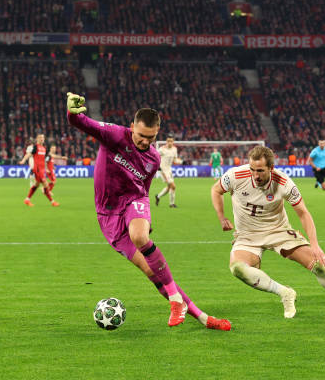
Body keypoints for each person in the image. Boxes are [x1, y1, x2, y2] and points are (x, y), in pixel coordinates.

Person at [66, 92, 230, 330]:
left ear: (157, 133)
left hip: (134, 199)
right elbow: (81, 122)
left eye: (151, 138)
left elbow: (144, 189)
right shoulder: (114, 135)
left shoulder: (153, 157)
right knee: (150, 270)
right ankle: (203, 317)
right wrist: (72, 112)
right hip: (108, 214)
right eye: (141, 136)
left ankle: (176, 301)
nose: (145, 142)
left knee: (140, 236)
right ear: (132, 127)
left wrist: (143, 218)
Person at [211, 146, 325, 318]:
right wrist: (221, 217)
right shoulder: (235, 175)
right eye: (252, 170)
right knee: (237, 268)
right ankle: (285, 292)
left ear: (271, 168)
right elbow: (216, 190)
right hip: (247, 235)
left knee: (319, 265)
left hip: (278, 231)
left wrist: (315, 245)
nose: (255, 175)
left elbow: (303, 213)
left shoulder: (283, 182)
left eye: (260, 171)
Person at [19, 133, 59, 207]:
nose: (42, 139)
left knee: (36, 185)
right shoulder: (36, 147)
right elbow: (29, 154)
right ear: (37, 139)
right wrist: (23, 160)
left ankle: (27, 200)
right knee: (46, 185)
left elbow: (46, 159)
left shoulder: (44, 148)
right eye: (40, 137)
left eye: (43, 137)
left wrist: (48, 167)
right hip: (37, 169)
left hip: (42, 170)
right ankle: (52, 202)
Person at [155, 135, 179, 208]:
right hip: (162, 170)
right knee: (173, 186)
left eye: (171, 141)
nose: (169, 142)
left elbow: (175, 160)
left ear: (173, 142)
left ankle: (158, 196)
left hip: (169, 170)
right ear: (166, 141)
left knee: (169, 187)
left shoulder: (174, 149)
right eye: (168, 141)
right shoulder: (162, 149)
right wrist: (157, 166)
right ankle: (172, 204)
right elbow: (154, 157)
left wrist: (181, 162)